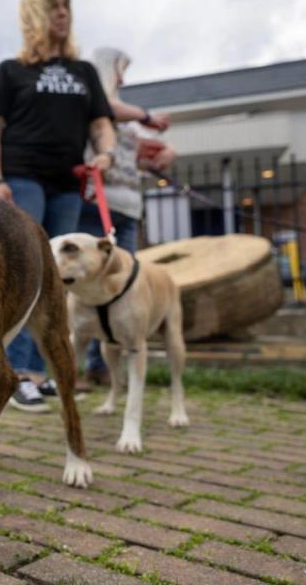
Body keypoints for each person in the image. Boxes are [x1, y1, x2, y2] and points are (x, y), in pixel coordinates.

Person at [0, 0, 117, 413]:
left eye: (67, 6)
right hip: (21, 179)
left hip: (66, 183)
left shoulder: (84, 73)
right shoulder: (10, 71)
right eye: (54, 6)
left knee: (57, 279)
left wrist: (106, 155)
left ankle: (42, 374)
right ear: (35, 14)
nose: (63, 13)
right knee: (26, 274)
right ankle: (14, 374)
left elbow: (101, 125)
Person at [78, 47, 177, 383]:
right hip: (96, 206)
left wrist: (161, 155)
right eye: (119, 69)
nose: (122, 77)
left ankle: (102, 363)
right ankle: (81, 362)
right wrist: (145, 115)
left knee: (121, 285)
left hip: (128, 208)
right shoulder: (95, 103)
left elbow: (136, 151)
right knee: (87, 284)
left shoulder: (125, 117)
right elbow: (110, 109)